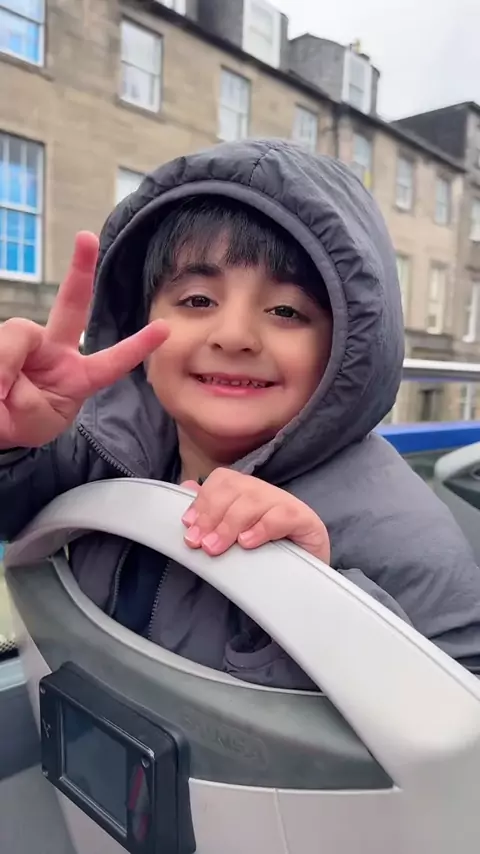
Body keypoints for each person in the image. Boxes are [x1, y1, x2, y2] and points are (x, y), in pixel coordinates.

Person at [1, 138, 480, 690]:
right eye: (197, 300)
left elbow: (458, 706)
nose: (233, 336)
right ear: (140, 325)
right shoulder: (99, 442)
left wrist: (315, 594)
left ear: (348, 347)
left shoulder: (403, 534)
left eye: (286, 311)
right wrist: (12, 441)